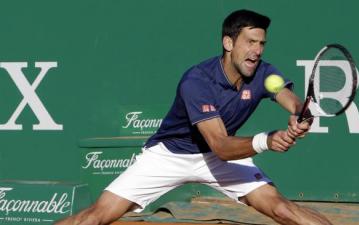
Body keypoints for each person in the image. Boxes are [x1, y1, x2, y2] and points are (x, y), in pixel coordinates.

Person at [56, 9, 332, 225]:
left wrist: (301, 115)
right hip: (171, 155)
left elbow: (291, 100)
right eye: (250, 42)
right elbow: (222, 146)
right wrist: (267, 141)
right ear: (228, 42)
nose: (257, 51)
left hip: (217, 158)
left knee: (282, 208)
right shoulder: (197, 81)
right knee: (98, 216)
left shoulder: (263, 73)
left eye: (261, 43)